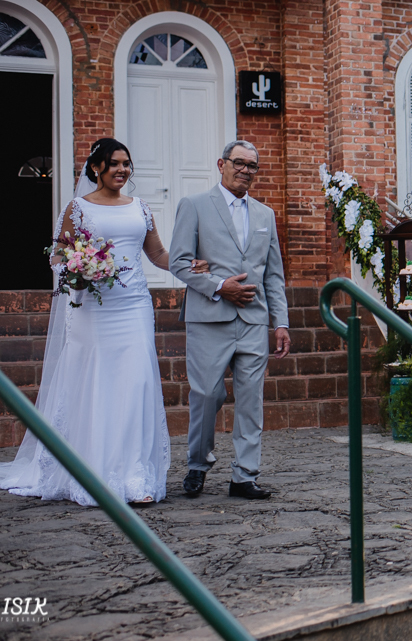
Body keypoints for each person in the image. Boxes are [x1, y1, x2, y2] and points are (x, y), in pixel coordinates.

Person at [0, 138, 208, 506]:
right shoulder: (78, 208)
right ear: (96, 168)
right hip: (93, 310)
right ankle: (93, 472)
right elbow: (58, 255)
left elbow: (157, 254)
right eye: (114, 163)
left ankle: (134, 476)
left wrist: (188, 264)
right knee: (97, 384)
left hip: (133, 306)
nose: (122, 170)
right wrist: (80, 269)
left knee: (136, 384)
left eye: (126, 163)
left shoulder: (140, 208)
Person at [169, 140, 290, 500]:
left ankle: (244, 476)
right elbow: (179, 262)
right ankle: (197, 464)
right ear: (221, 164)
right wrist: (220, 286)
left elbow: (273, 275)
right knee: (207, 394)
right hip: (209, 318)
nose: (245, 171)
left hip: (253, 320)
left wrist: (281, 323)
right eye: (239, 163)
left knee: (251, 400)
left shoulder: (265, 214)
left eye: (252, 165)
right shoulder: (194, 205)